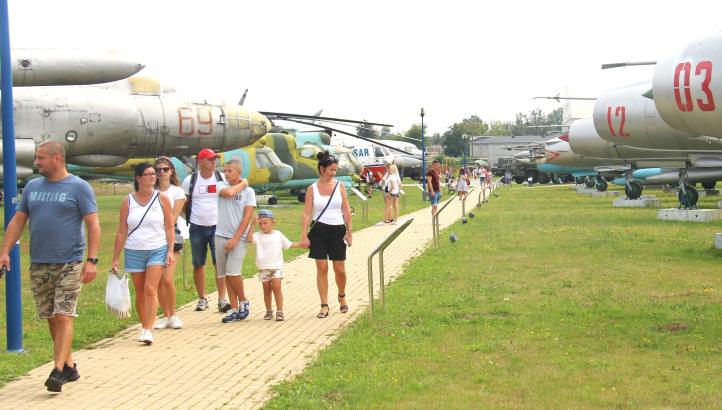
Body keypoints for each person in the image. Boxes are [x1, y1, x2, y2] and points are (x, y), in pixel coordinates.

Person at [0, 141, 100, 392]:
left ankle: (57, 371)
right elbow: (17, 221)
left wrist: (91, 260)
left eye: (40, 157)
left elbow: (93, 225)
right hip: (40, 263)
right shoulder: (33, 187)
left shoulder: (79, 187)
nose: (36, 162)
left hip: (70, 262)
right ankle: (69, 365)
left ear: (57, 159)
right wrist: (4, 252)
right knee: (51, 317)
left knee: (64, 315)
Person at [112, 163, 175, 345]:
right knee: (140, 291)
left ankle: (148, 329)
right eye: (147, 174)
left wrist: (170, 251)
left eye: (153, 174)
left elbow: (169, 227)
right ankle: (143, 324)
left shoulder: (162, 199)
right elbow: (121, 231)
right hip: (134, 250)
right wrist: (115, 257)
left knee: (150, 289)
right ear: (138, 178)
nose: (152, 177)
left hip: (157, 248)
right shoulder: (128, 201)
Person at [300, 151, 353, 318]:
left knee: (340, 269)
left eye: (335, 170)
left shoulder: (339, 186)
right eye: (331, 170)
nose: (333, 173)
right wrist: (303, 234)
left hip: (338, 229)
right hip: (319, 231)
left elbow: (346, 209)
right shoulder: (312, 188)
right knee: (322, 268)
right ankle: (324, 304)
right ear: (322, 169)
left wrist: (349, 230)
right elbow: (307, 213)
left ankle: (342, 295)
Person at [182, 148, 228, 312]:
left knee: (219, 264)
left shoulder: (220, 178)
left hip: (218, 227)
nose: (213, 162)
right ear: (200, 161)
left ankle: (222, 299)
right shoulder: (190, 180)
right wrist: (187, 219)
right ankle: (202, 298)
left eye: (214, 159)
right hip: (197, 228)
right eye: (210, 159)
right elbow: (184, 203)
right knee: (198, 264)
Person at [216, 159, 256, 323]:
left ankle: (244, 300)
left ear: (239, 172)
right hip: (220, 234)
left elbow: (247, 217)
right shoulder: (220, 186)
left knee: (233, 272)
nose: (226, 174)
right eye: (225, 171)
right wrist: (244, 183)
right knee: (226, 274)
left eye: (230, 171)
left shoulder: (249, 192)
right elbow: (229, 193)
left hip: (238, 237)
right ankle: (233, 308)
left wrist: (235, 238)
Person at [246, 209, 301, 321]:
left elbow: (288, 245)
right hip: (263, 268)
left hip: (276, 267)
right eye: (260, 223)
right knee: (266, 290)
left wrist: (301, 244)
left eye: (265, 223)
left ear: (273, 222)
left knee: (276, 287)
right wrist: (252, 225)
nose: (263, 226)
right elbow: (249, 239)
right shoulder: (257, 235)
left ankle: (280, 311)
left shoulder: (278, 234)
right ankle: (268, 311)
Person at [153, 156, 186, 330]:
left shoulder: (177, 192)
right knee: (158, 280)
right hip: (154, 237)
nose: (161, 173)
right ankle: (165, 315)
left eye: (165, 169)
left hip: (172, 235)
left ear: (171, 171)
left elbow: (174, 216)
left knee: (167, 279)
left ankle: (173, 315)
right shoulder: (152, 191)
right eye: (158, 170)